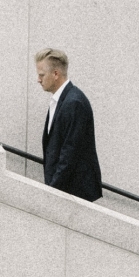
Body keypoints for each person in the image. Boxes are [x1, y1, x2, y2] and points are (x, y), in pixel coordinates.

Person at [34, 48, 102, 202]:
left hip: (74, 193)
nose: (38, 79)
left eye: (41, 75)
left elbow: (69, 153)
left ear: (56, 74)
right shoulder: (61, 101)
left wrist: (53, 191)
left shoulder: (74, 103)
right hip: (66, 191)